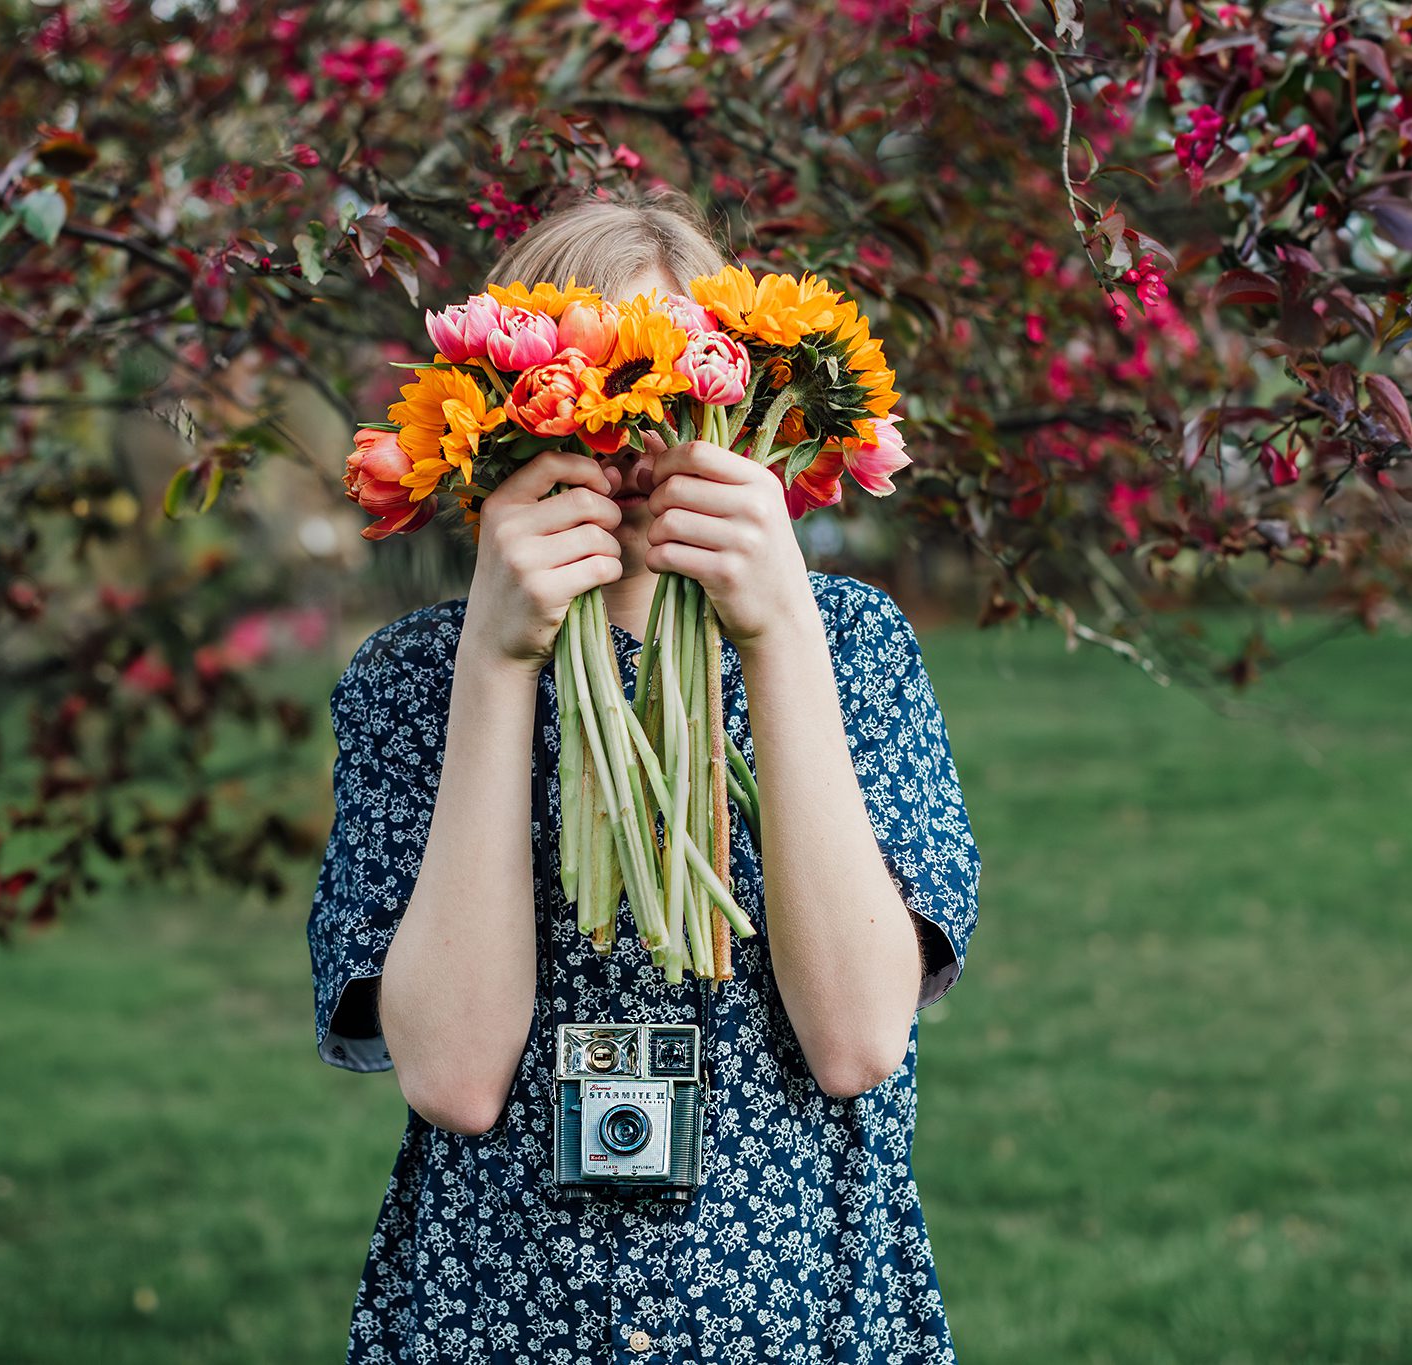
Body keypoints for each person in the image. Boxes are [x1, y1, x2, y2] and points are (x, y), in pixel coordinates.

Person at [306, 183, 983, 1363]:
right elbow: (455, 1078)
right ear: (504, 406)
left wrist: (775, 635)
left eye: (668, 384)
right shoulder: (417, 676)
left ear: (739, 391)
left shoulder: (849, 646)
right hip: (498, 1314)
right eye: (588, 384)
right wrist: (498, 658)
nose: (628, 436)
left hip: (793, 1307)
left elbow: (859, 1040)